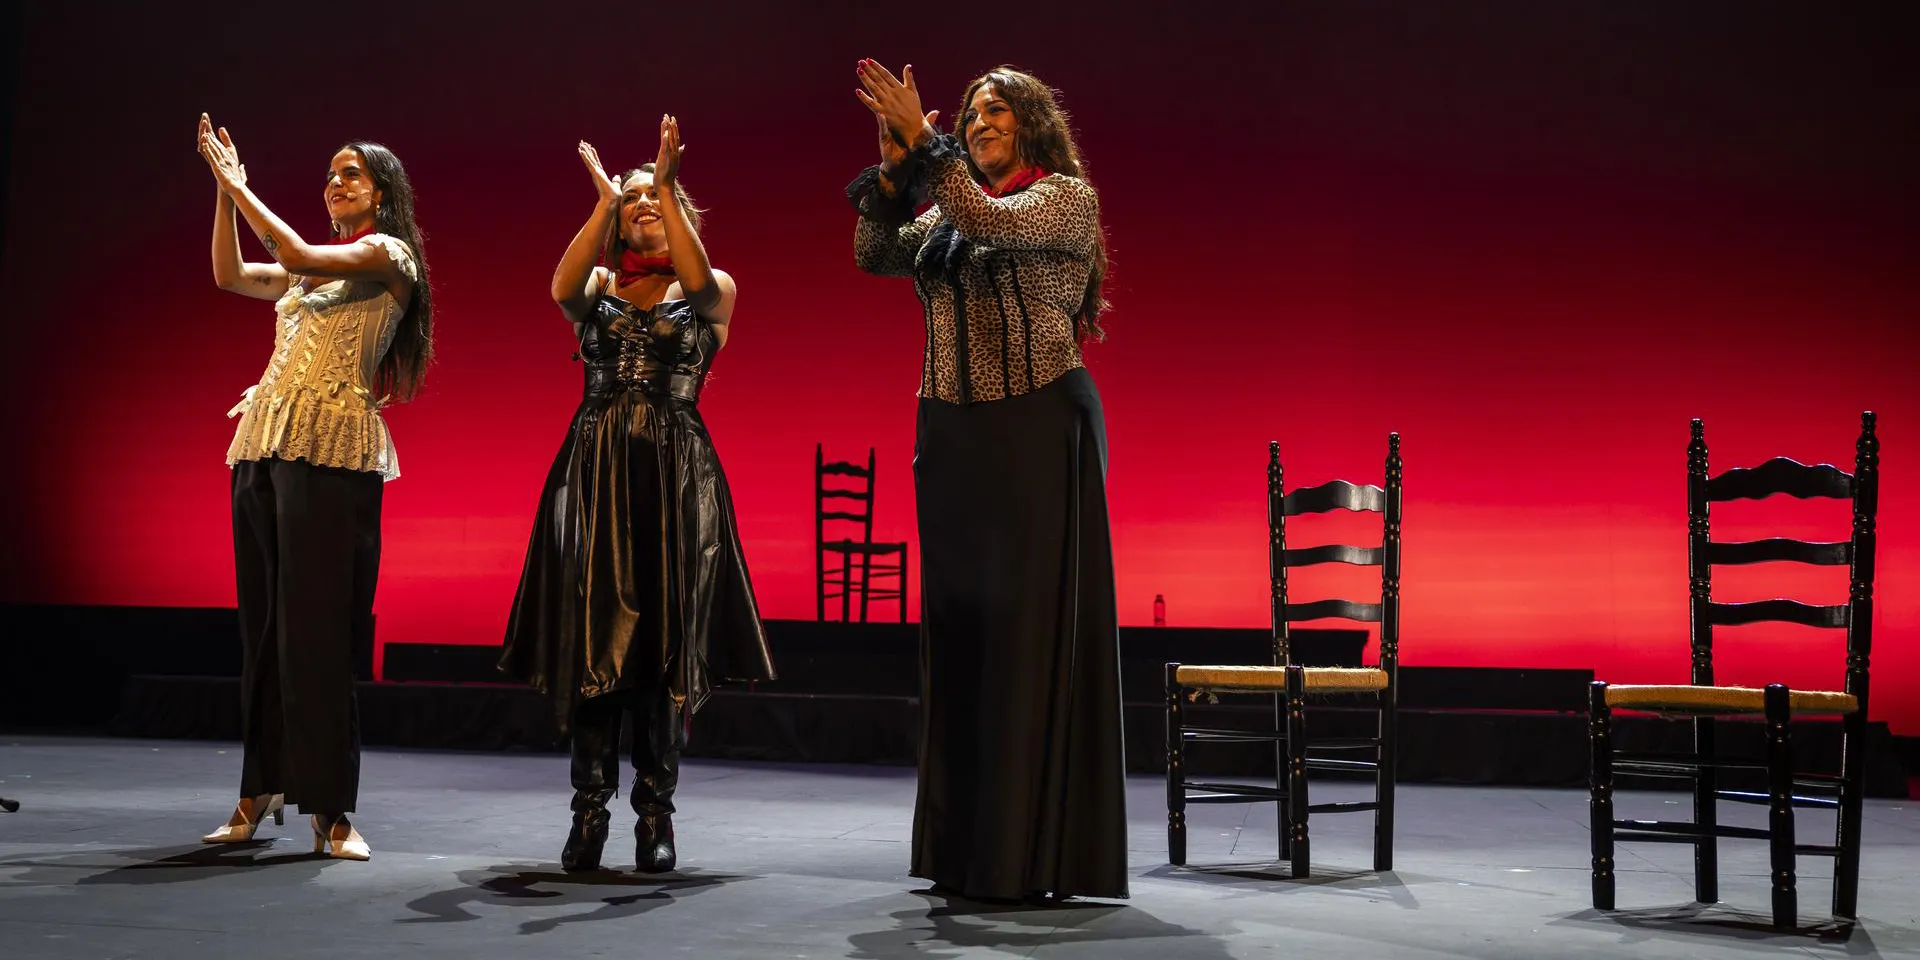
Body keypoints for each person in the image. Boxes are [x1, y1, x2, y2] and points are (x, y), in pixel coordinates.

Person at [848, 63, 1127, 902]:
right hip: (953, 434)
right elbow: (874, 254)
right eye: (970, 113)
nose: (979, 122)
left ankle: (1028, 856)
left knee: (1026, 633)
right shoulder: (947, 208)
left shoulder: (1063, 199)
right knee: (963, 635)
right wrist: (892, 168)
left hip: (1036, 423)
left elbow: (984, 216)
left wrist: (926, 144)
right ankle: (968, 851)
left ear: (1032, 122)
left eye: (996, 110)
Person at [500, 117, 776, 874]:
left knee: (661, 648)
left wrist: (664, 183)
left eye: (656, 195)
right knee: (595, 641)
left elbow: (698, 282)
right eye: (631, 200)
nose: (642, 203)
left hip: (675, 473)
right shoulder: (597, 288)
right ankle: (588, 814)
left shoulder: (711, 287)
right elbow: (560, 289)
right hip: (595, 469)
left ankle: (656, 814)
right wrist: (603, 202)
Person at [195, 114, 434, 861]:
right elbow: (232, 275)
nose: (335, 183)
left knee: (320, 630)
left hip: (333, 449)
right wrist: (223, 195)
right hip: (266, 438)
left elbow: (293, 250)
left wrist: (240, 185)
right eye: (329, 174)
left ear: (382, 191)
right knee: (263, 626)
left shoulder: (387, 254)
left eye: (350, 173)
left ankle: (331, 809)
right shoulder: (309, 275)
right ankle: (258, 787)